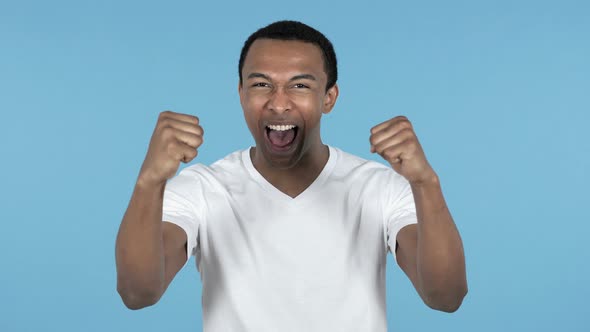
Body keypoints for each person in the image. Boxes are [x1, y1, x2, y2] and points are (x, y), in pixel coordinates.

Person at [115, 20, 467, 331]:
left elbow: (445, 295)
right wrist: (149, 184)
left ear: (329, 97)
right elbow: (138, 292)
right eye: (261, 85)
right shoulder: (203, 189)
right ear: (240, 94)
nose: (279, 103)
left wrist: (426, 185)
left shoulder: (378, 187)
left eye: (299, 86)